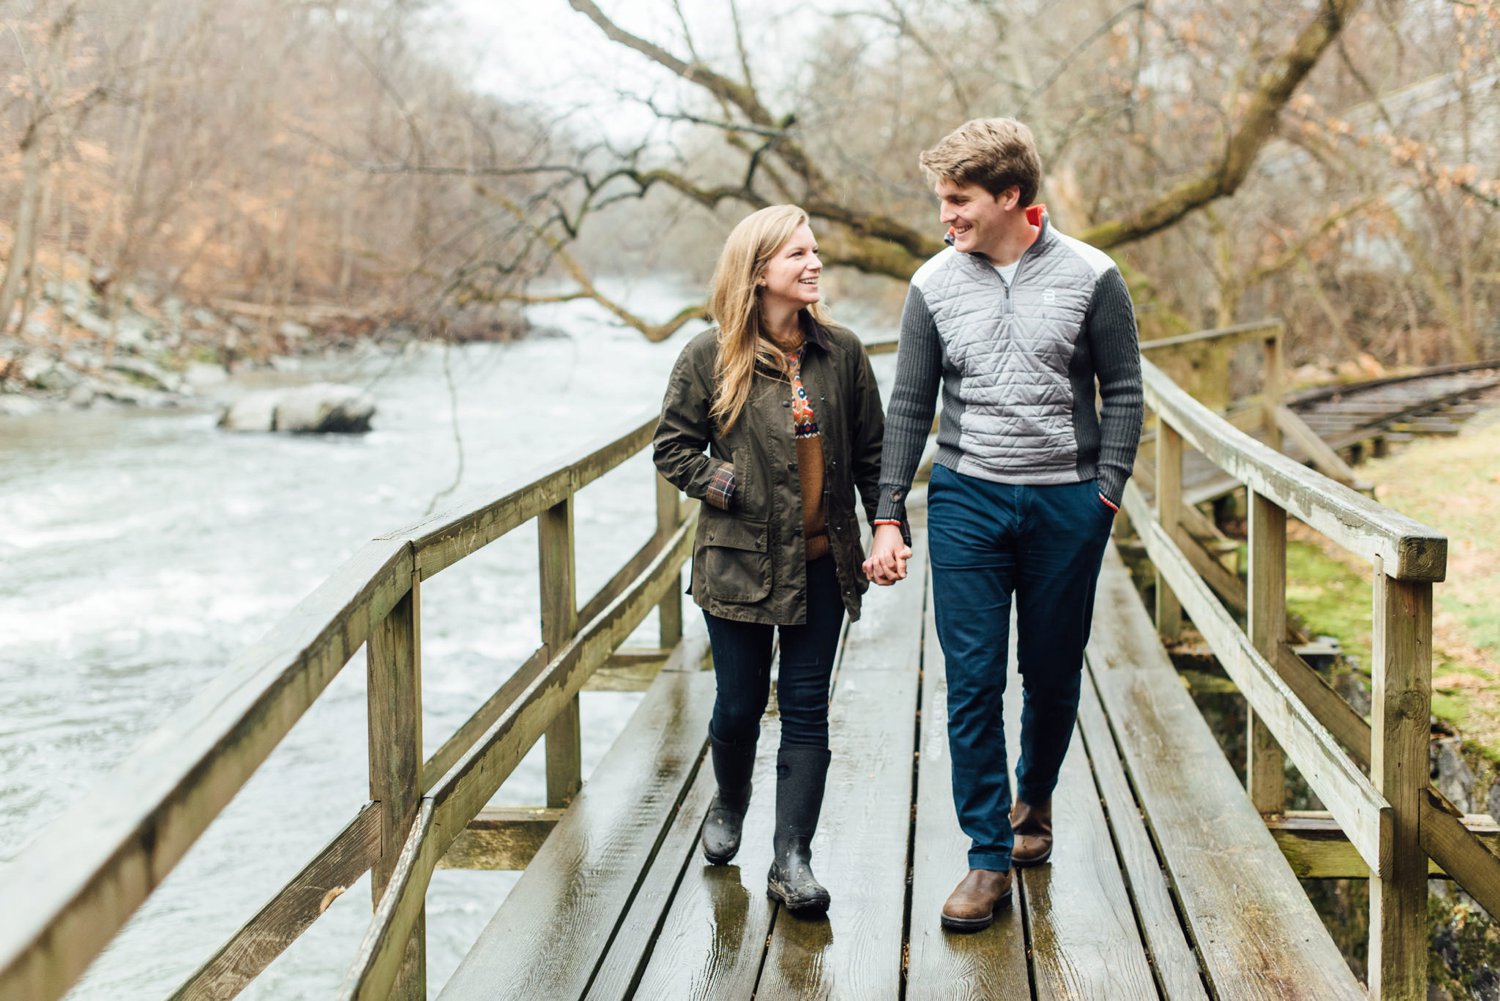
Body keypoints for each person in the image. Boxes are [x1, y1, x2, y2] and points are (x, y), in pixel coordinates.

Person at [863, 118, 1143, 932]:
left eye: (959, 200)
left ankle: (1035, 797)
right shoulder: (932, 284)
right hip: (967, 501)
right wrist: (887, 514)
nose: (945, 215)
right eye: (942, 200)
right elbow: (910, 404)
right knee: (973, 679)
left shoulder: (1095, 275)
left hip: (1067, 503)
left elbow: (1123, 391)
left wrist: (1107, 494)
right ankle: (986, 855)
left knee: (1052, 674)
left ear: (1011, 196)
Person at [654, 204, 886, 917]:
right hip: (739, 565)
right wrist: (730, 484)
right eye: (798, 255)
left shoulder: (842, 352)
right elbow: (672, 448)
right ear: (759, 274)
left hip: (823, 562)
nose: (814, 264)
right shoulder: (708, 354)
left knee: (808, 709)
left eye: (815, 252)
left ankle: (792, 858)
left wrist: (886, 525)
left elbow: (874, 453)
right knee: (739, 704)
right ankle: (730, 799)